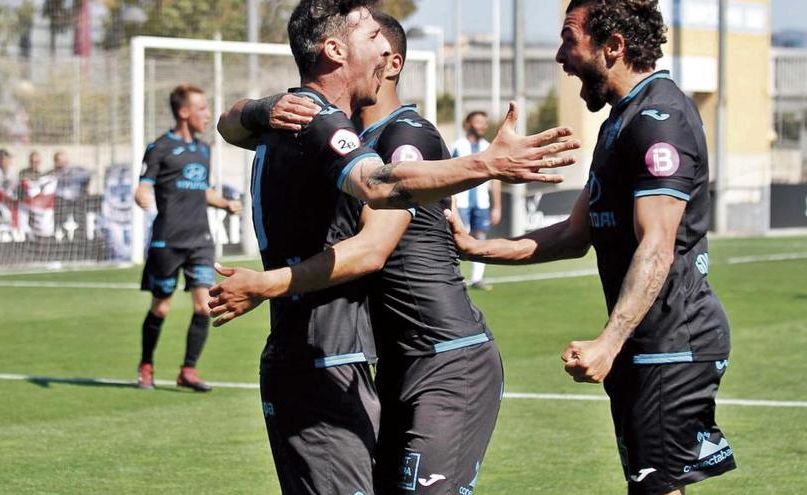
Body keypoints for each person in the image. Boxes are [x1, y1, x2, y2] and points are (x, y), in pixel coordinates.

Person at [214, 0, 577, 491]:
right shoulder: (313, 122)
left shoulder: (397, 134)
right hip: (344, 358)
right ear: (336, 50)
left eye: (386, 46)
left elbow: (373, 242)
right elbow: (374, 192)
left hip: (437, 356)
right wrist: (485, 165)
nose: (384, 52)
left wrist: (267, 283)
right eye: (372, 41)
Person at [445, 1, 735, 494]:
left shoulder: (657, 119)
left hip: (670, 341)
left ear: (613, 46)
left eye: (569, 39)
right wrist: (476, 248)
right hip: (649, 344)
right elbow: (574, 235)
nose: (561, 56)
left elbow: (658, 246)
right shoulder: (620, 123)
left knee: (656, 489)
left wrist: (610, 341)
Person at [135, 84, 242, 393]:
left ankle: (188, 370)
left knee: (203, 306)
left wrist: (224, 202)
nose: (207, 115)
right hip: (167, 241)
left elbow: (202, 189)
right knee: (161, 308)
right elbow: (145, 183)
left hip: (200, 240)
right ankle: (146, 365)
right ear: (184, 112)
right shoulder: (159, 148)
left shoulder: (203, 149)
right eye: (202, 108)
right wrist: (141, 193)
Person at [451, 111, 502, 290]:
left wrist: (497, 207)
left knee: (480, 238)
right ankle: (454, 276)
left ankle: (477, 278)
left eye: (484, 123)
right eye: (478, 122)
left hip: (481, 203)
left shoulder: (488, 147)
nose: (482, 126)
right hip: (461, 202)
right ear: (468, 124)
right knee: (460, 236)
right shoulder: (457, 146)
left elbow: (495, 179)